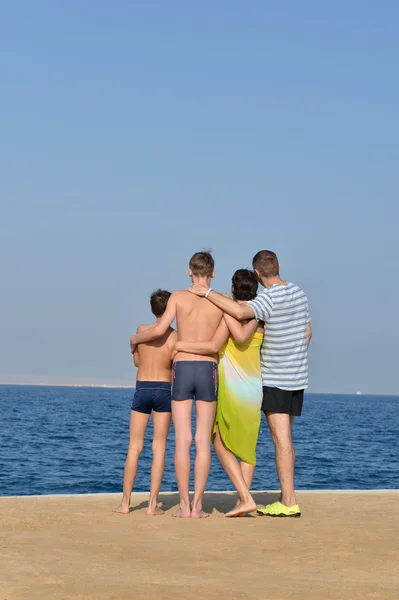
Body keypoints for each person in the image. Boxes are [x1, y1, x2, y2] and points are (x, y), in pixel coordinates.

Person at [188, 250, 312, 518]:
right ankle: (285, 497)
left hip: (276, 379)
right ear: (278, 266)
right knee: (285, 440)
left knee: (280, 440)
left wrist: (207, 293)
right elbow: (307, 333)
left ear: (257, 273)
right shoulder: (299, 293)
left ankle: (286, 502)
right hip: (297, 378)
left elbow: (240, 312)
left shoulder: (267, 299)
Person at [129, 251, 224, 518]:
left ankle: (183, 505)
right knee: (202, 441)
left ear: (189, 271)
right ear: (213, 273)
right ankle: (198, 507)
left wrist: (136, 339)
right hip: (207, 367)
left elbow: (160, 330)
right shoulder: (221, 301)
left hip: (181, 368)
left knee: (182, 440)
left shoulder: (178, 297)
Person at [174, 269, 263, 517]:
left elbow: (216, 344)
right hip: (255, 388)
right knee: (247, 448)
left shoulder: (229, 315)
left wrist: (181, 345)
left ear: (233, 290)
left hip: (233, 388)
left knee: (219, 442)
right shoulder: (261, 316)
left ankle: (245, 498)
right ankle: (242, 502)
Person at [114, 289, 177, 516]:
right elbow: (174, 365)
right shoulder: (174, 336)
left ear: (152, 309)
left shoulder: (141, 331)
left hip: (142, 388)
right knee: (159, 447)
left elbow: (137, 362)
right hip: (163, 389)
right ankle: (152, 505)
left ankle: (125, 503)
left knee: (134, 446)